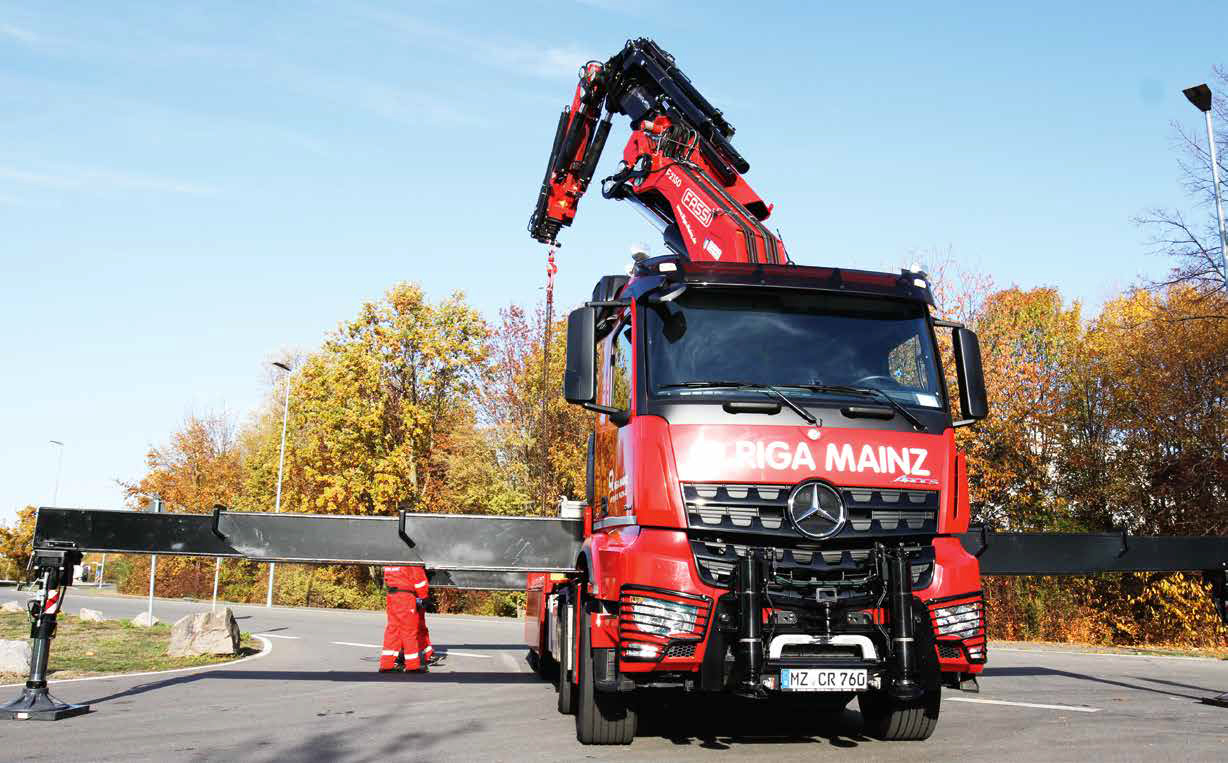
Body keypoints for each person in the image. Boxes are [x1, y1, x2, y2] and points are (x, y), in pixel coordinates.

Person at [379, 565, 443, 672]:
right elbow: (419, 581)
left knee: (393, 630)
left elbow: (387, 578)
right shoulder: (411, 560)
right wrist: (424, 597)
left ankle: (387, 664)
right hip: (406, 597)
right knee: (409, 631)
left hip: (392, 596)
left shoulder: (390, 561)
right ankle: (413, 666)